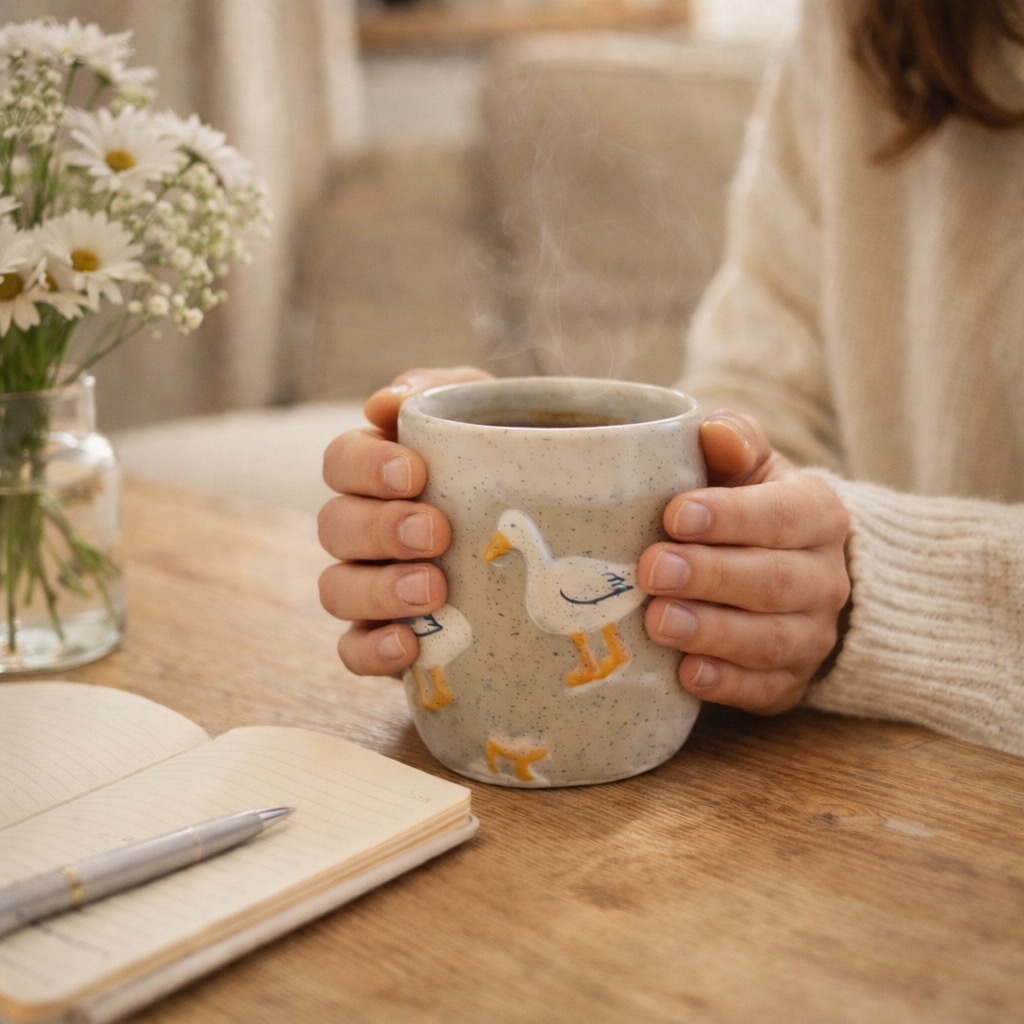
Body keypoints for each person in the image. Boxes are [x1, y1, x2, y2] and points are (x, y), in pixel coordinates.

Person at [318, 0, 1024, 757]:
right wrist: (758, 547)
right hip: (856, 767)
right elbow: (761, 411)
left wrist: (873, 587)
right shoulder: (867, 28)